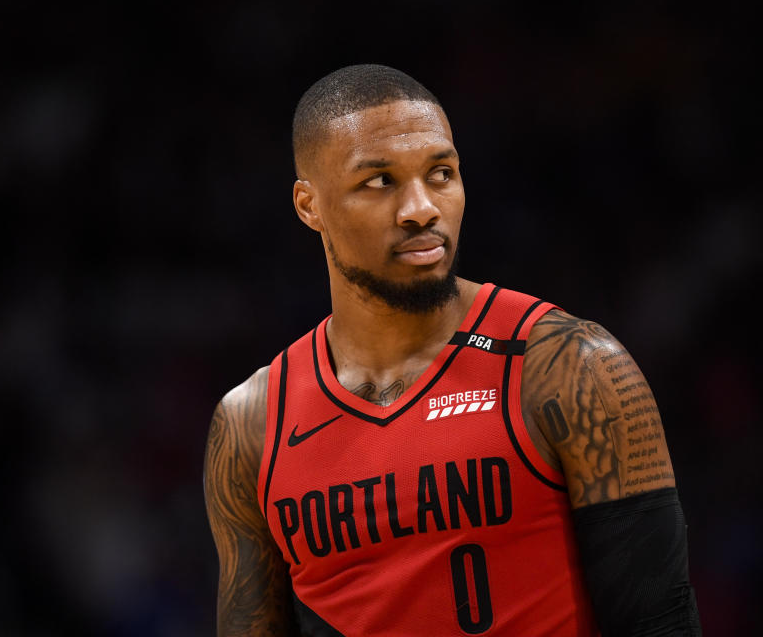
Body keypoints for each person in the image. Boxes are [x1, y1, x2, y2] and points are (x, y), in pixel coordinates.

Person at [203, 64, 701, 636]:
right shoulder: (251, 424)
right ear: (308, 205)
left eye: (441, 173)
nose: (420, 208)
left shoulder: (571, 366)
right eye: (379, 181)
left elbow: (662, 622)